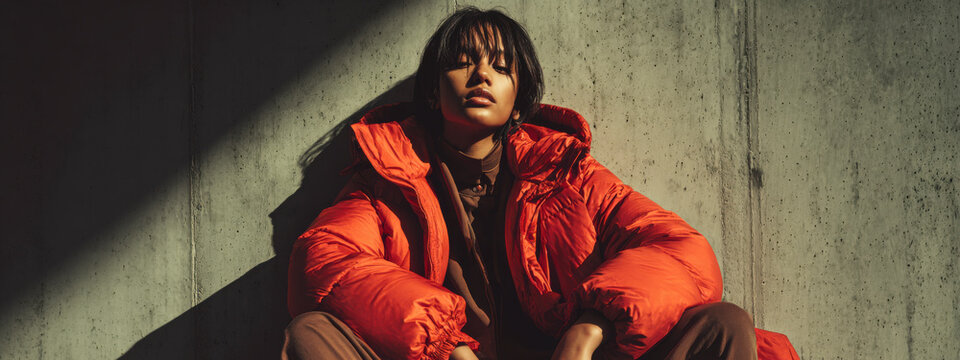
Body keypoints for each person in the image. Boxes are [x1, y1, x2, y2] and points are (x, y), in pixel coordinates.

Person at [282, 7, 798, 360]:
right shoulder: (389, 179)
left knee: (723, 324)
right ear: (433, 93)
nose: (481, 75)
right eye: (462, 63)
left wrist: (589, 326)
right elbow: (325, 261)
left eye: (500, 67)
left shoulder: (565, 172)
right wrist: (444, 346)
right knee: (312, 335)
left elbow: (680, 248)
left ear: (519, 96)